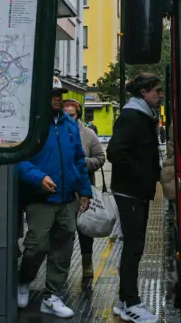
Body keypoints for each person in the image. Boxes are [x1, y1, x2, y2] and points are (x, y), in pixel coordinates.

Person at [15, 86, 92, 318]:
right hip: (41, 198)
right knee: (36, 244)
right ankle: (24, 280)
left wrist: (84, 190)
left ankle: (52, 296)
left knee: (63, 249)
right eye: (52, 95)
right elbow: (19, 158)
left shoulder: (69, 124)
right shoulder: (32, 124)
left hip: (67, 198)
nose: (57, 99)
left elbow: (78, 159)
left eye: (59, 95)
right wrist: (39, 179)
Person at [107, 73, 163, 323]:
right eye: (157, 91)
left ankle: (122, 300)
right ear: (144, 93)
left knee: (135, 246)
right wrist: (142, 176)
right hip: (129, 191)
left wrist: (156, 175)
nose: (160, 95)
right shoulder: (132, 116)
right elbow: (114, 152)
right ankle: (132, 302)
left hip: (137, 190)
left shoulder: (144, 116)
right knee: (134, 246)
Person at [62, 98, 105, 281]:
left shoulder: (88, 134)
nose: (69, 118)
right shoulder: (56, 132)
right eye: (65, 115)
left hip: (83, 190)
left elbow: (101, 158)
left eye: (71, 115)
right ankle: (62, 267)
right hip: (63, 191)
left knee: (85, 230)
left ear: (77, 114)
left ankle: (87, 263)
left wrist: (83, 163)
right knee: (64, 231)